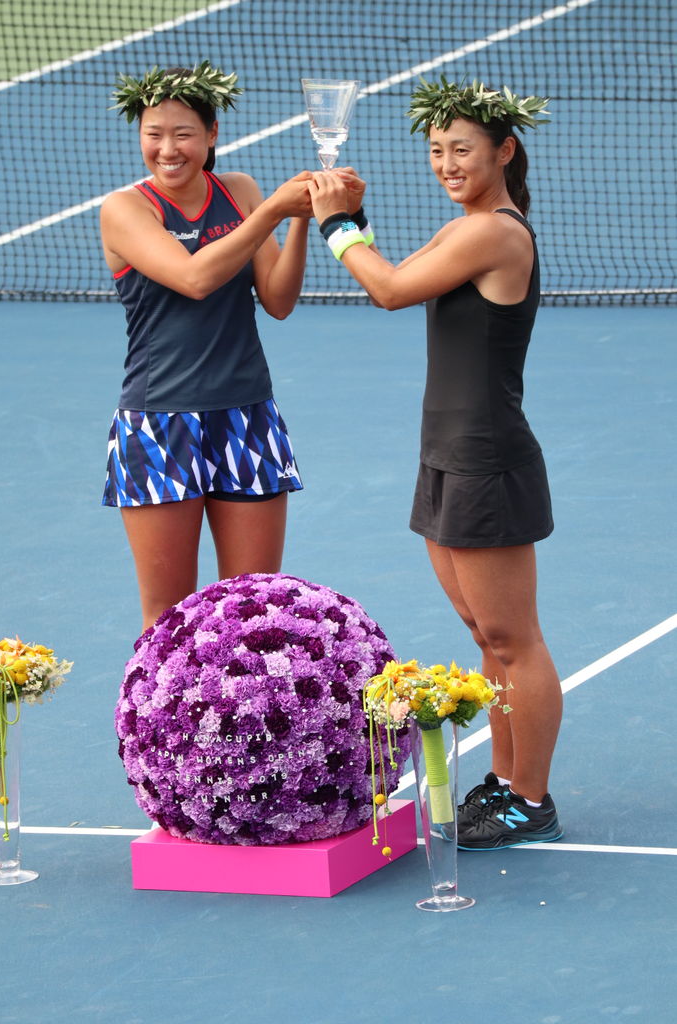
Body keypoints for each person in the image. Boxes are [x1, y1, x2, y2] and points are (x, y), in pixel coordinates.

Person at [307, 79, 563, 849]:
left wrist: (333, 226)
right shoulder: (465, 228)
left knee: (513, 639)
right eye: (435, 150)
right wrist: (355, 219)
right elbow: (394, 270)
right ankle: (505, 780)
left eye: (461, 149)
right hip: (446, 457)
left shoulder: (496, 234)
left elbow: (387, 290)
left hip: (486, 461)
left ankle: (529, 798)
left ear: (503, 151)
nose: (446, 163)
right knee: (484, 634)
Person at [100, 62, 314, 633]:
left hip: (247, 417)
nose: (168, 149)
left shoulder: (238, 191)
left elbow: (278, 299)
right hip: (160, 423)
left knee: (254, 610)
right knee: (168, 619)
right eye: (154, 134)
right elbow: (194, 278)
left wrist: (300, 220)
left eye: (183, 134)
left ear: (212, 134)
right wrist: (273, 210)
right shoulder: (126, 209)